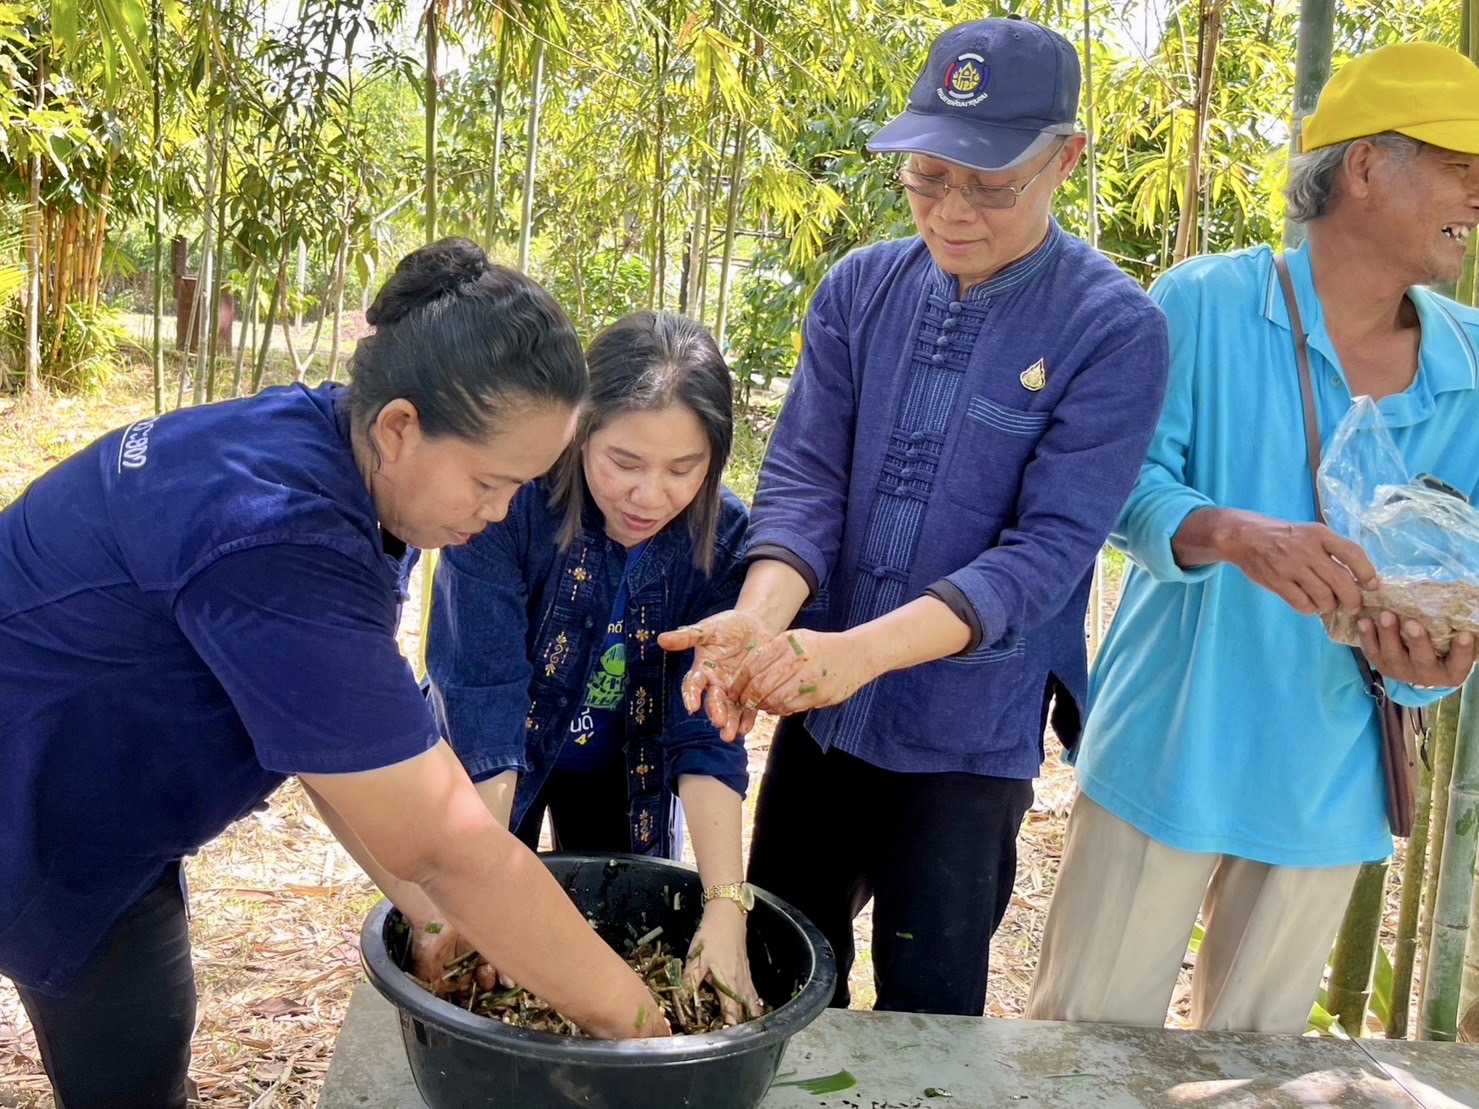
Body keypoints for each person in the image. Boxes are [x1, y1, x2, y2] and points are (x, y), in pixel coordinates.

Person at [0, 238, 671, 1108]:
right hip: (35, 796)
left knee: (142, 1044)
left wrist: (431, 916)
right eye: (490, 482)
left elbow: (336, 741)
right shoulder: (279, 534)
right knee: (130, 1058)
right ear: (400, 425)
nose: (499, 512)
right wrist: (644, 1028)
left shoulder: (339, 458)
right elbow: (445, 840)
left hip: (98, 783)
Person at [660, 16, 1170, 1017]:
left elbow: (1042, 557)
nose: (952, 209)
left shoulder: (1113, 328)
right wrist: (764, 620)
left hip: (965, 737)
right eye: (927, 176)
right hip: (820, 715)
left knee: (930, 1002)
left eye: (991, 183)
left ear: (1066, 158)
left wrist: (856, 652)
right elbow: (805, 483)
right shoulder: (860, 290)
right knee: (777, 966)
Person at [1026, 42, 1479, 1035]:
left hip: (1327, 791)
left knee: (1256, 1082)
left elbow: (1457, 590)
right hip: (1166, 756)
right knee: (1070, 1063)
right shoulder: (1205, 304)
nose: (1478, 198)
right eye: (1462, 168)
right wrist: (1225, 529)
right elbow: (1110, 486)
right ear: (1365, 166)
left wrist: (1426, 665)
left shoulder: (1471, 367)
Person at [421, 310, 761, 1023]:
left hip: (622, 770)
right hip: (489, 761)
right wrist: (479, 897)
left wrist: (726, 905)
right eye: (624, 463)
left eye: (683, 468)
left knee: (618, 937)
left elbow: (705, 732)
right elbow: (481, 693)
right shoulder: (507, 501)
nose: (650, 496)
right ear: (578, 432)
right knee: (468, 949)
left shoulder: (724, 540)